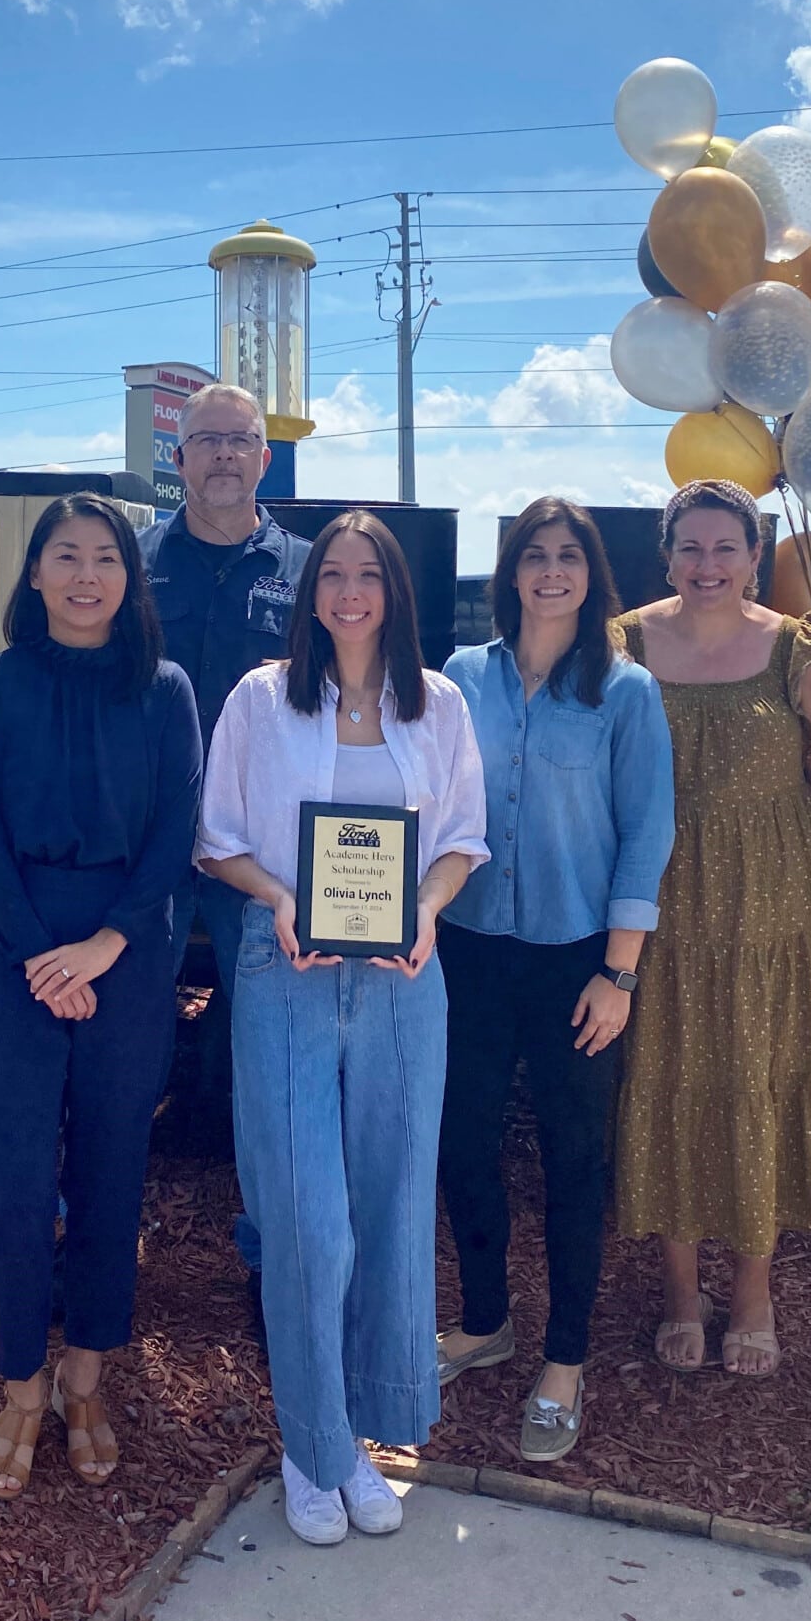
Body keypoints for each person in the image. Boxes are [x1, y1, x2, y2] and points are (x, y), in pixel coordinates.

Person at [197, 511, 488, 1545]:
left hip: (407, 979)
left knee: (393, 1211)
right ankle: (310, 1444)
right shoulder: (260, 702)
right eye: (334, 575)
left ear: (394, 593)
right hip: (287, 970)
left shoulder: (439, 705)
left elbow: (460, 840)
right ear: (311, 591)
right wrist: (279, 896)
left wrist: (426, 908)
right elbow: (216, 840)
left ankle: (366, 1434)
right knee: (309, 1222)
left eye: (369, 575)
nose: (351, 592)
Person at [0, 495, 200, 1499]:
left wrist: (101, 947)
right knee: (13, 1186)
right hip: (12, 950)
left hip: (128, 949)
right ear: (37, 574)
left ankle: (86, 1379)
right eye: (67, 556)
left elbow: (176, 831)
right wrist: (44, 958)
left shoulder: (167, 687)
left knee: (111, 1174)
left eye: (106, 558)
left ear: (129, 579)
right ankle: (18, 1383)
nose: (87, 574)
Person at [436, 498, 674, 1461]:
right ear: (509, 572)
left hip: (580, 959)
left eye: (566, 556)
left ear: (591, 573)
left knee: (576, 1160)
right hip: (467, 949)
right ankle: (485, 1320)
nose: (548, 572)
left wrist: (619, 972)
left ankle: (565, 1358)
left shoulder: (625, 693)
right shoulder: (457, 679)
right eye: (532, 555)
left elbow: (645, 833)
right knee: (461, 1143)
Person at [614, 480, 811, 1377]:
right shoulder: (626, 642)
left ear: (754, 556)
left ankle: (753, 1289)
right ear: (667, 553)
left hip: (773, 905)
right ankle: (681, 1288)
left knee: (757, 1075)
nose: (706, 565)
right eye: (690, 548)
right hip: (662, 897)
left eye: (726, 548)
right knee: (670, 1073)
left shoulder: (797, 649)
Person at [138, 382, 310, 1321]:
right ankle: (94, 1238)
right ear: (180, 455)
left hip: (259, 855)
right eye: (204, 441)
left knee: (267, 1054)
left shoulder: (306, 568)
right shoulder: (130, 561)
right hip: (147, 850)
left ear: (263, 458)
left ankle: (265, 1256)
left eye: (239, 442)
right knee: (126, 1044)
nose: (221, 458)